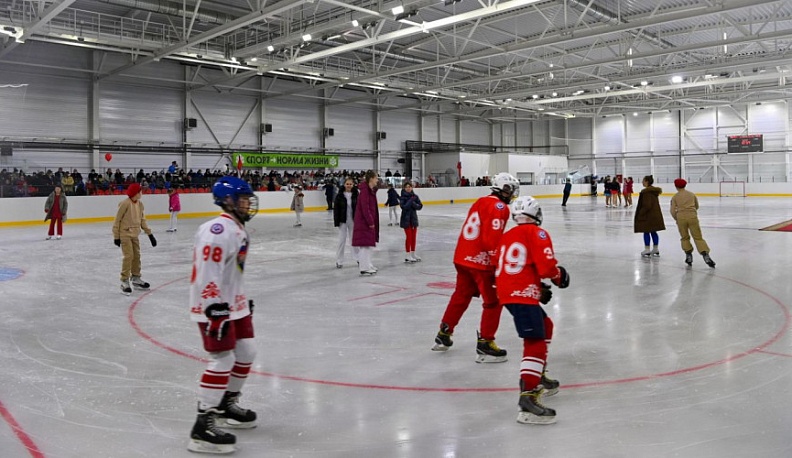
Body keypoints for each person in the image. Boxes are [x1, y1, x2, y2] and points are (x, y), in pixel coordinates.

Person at [187, 176, 259, 454]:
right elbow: (208, 271)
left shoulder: (236, 227)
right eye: (242, 198)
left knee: (247, 352)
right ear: (227, 201)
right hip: (213, 307)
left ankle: (226, 404)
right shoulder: (217, 230)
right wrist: (214, 308)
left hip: (233, 305)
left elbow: (231, 272)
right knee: (223, 359)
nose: (247, 203)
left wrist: (239, 300)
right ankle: (202, 425)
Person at [495, 195, 570, 425]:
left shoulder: (507, 235)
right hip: (522, 294)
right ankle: (527, 397)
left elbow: (513, 266)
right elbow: (547, 267)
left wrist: (536, 287)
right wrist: (559, 277)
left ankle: (538, 374)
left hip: (508, 292)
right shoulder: (537, 233)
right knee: (535, 340)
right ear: (536, 214)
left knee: (545, 326)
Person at [432, 172, 520, 363]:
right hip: (480, 262)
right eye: (511, 189)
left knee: (461, 295)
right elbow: (491, 240)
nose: (513, 193)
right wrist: (498, 265)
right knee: (493, 301)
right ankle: (486, 342)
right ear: (504, 189)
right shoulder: (499, 206)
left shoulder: (481, 201)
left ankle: (444, 332)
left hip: (462, 257)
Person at [112, 183, 157, 295]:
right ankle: (124, 280)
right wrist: (116, 237)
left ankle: (136, 278)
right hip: (125, 234)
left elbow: (142, 220)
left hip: (135, 234)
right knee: (128, 256)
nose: (142, 193)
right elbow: (117, 220)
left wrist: (150, 234)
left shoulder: (140, 204)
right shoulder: (125, 204)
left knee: (136, 255)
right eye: (140, 191)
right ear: (135, 193)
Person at [670, 178, 715, 267]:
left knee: (684, 237)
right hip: (692, 217)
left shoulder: (675, 197)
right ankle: (705, 254)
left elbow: (672, 211)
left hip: (681, 218)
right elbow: (697, 206)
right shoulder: (691, 194)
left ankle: (688, 255)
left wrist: (677, 219)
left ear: (676, 186)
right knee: (698, 237)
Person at [352, 170, 380, 276]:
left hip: (367, 221)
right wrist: (370, 220)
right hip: (364, 221)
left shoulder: (370, 190)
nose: (377, 180)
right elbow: (365, 207)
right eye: (376, 178)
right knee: (364, 245)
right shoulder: (365, 191)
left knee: (368, 244)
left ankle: (368, 264)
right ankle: (364, 267)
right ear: (371, 178)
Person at [634, 175, 665, 257]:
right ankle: (655, 248)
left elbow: (647, 205)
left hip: (648, 216)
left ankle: (647, 249)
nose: (642, 182)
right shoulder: (654, 191)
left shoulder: (646, 192)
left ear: (647, 181)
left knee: (646, 231)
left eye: (643, 181)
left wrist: (641, 213)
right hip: (655, 215)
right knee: (654, 231)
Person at [333, 177, 359, 268]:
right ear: (344, 185)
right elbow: (336, 209)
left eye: (350, 184)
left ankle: (358, 258)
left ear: (353, 185)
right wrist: (336, 221)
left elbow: (359, 208)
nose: (349, 185)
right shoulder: (339, 195)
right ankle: (339, 260)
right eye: (347, 184)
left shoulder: (356, 194)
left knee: (354, 240)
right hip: (342, 220)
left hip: (353, 220)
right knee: (342, 240)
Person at [399, 182, 423, 263]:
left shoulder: (415, 196)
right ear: (404, 188)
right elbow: (404, 207)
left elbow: (420, 206)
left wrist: (412, 202)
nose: (408, 188)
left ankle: (413, 253)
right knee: (409, 237)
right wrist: (412, 201)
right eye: (406, 187)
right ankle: (407, 254)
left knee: (413, 237)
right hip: (406, 220)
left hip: (413, 219)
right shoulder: (402, 197)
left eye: (409, 187)